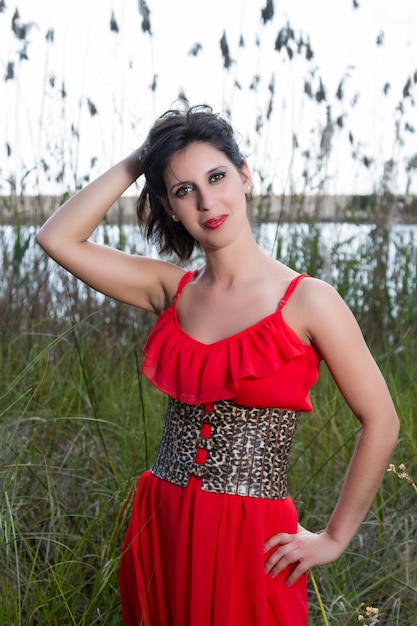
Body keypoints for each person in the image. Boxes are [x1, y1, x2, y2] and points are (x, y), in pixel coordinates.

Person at [36, 105, 400, 626]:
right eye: (184, 191)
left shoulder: (309, 300)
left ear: (244, 176)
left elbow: (382, 421)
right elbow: (57, 238)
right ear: (169, 204)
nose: (208, 202)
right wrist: (148, 156)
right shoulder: (172, 290)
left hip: (255, 535)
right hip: (163, 518)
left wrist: (335, 537)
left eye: (217, 176)